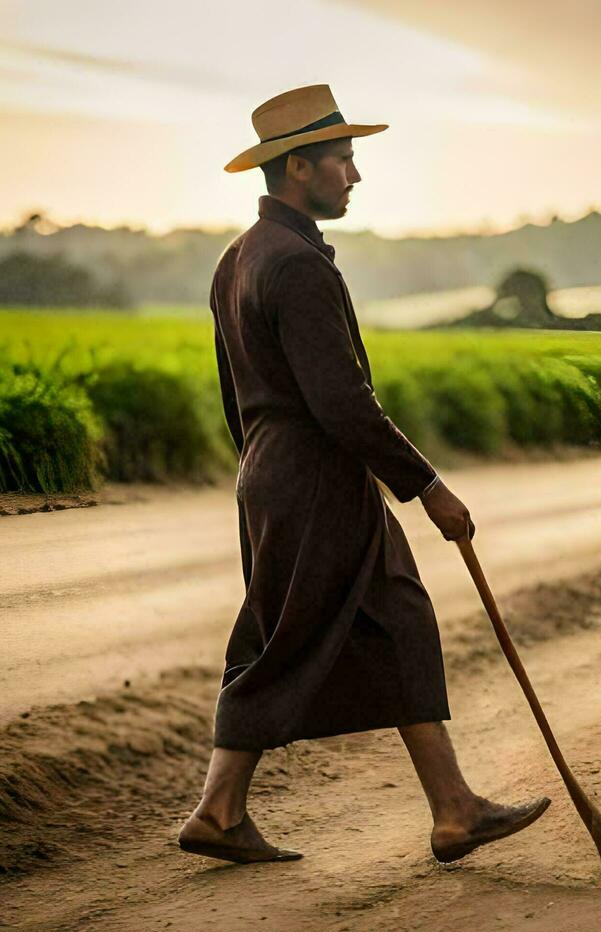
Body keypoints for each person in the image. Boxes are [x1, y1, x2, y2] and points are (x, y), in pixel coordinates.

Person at [177, 84, 549, 864]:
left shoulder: (238, 258)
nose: (355, 175)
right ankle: (220, 812)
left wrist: (266, 475)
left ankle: (451, 809)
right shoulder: (296, 265)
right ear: (299, 167)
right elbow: (344, 403)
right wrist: (429, 486)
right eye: (343, 159)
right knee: (284, 642)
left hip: (276, 475)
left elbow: (234, 397)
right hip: (317, 478)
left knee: (394, 621)